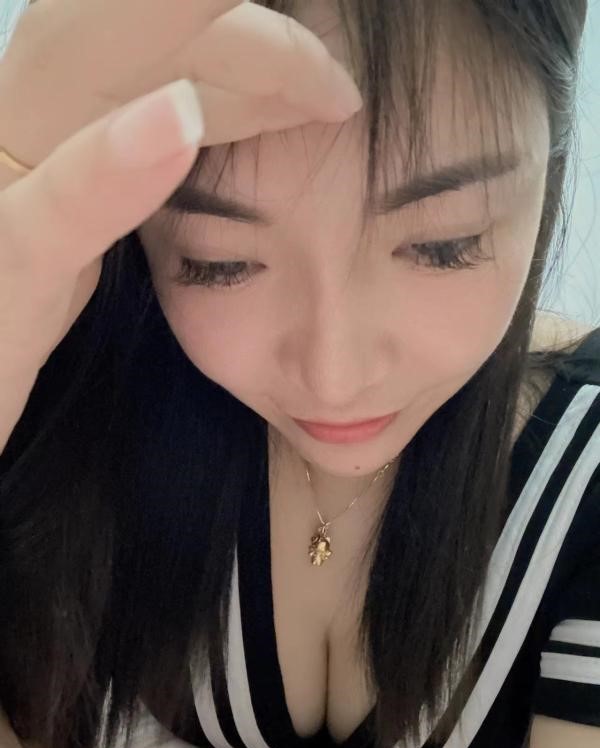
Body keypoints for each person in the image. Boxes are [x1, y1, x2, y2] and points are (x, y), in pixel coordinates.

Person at [0, 1, 598, 748]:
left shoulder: (581, 473)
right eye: (218, 263)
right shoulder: (78, 366)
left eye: (444, 246)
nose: (334, 379)